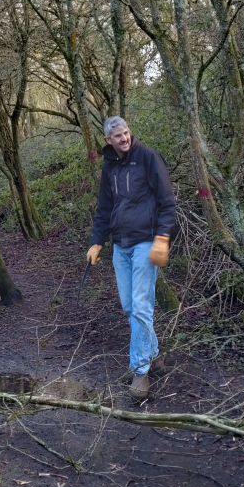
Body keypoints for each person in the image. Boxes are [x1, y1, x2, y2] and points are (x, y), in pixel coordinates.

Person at [88, 116, 175, 402]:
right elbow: (105, 206)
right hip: (120, 245)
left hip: (146, 242)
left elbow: (167, 201)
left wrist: (162, 237)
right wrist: (97, 241)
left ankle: (140, 371)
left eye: (126, 133)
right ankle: (154, 357)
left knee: (140, 306)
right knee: (129, 307)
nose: (124, 138)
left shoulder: (148, 157)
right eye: (118, 136)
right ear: (108, 140)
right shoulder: (110, 165)